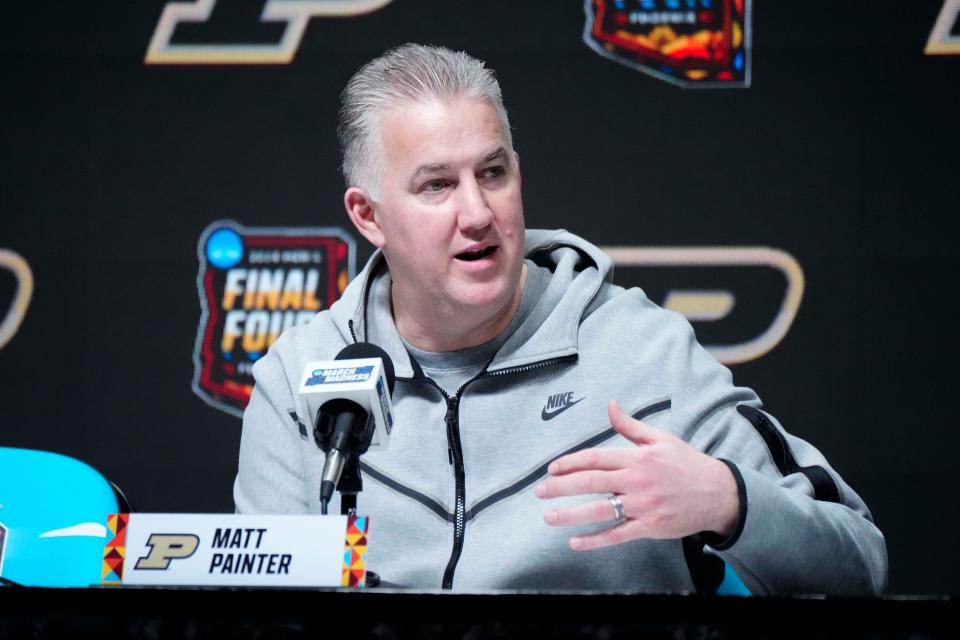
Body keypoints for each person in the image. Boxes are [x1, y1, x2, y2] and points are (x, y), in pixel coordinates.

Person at [235, 43, 887, 594]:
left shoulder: (639, 352)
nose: (478, 213)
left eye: (492, 173)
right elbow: (258, 616)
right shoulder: (298, 380)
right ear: (369, 215)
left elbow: (860, 557)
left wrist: (728, 500)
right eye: (437, 185)